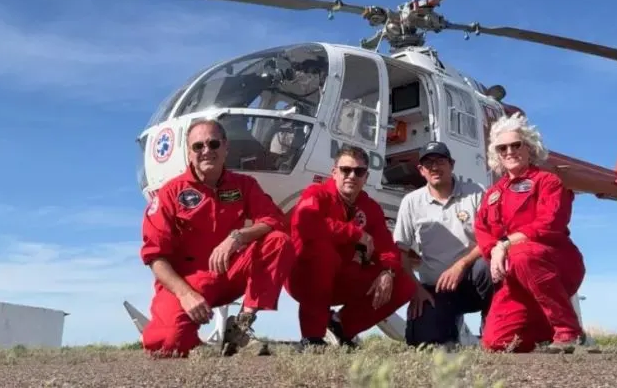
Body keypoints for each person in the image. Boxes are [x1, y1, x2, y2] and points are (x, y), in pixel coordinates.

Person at [139, 118, 296, 358]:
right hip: (189, 282)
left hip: (229, 272)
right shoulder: (171, 193)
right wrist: (185, 294)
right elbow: (155, 257)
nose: (206, 151)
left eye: (213, 144)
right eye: (198, 146)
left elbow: (274, 220)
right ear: (189, 152)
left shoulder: (244, 185)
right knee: (167, 344)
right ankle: (192, 341)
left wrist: (238, 236)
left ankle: (241, 326)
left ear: (225, 147)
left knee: (279, 241)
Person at [474, 112, 586, 354]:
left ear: (529, 147)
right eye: (502, 148)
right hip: (516, 278)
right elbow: (482, 230)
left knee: (522, 254)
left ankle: (569, 332)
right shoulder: (492, 193)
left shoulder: (548, 182)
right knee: (496, 343)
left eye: (516, 145)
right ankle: (547, 330)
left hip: (556, 264)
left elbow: (550, 224)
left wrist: (504, 244)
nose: (509, 152)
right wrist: (493, 250)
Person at [285, 145, 416, 349]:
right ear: (334, 172)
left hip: (345, 277)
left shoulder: (370, 208)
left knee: (404, 283)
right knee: (323, 254)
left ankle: (341, 327)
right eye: (346, 170)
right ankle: (312, 338)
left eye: (359, 171)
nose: (352, 176)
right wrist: (355, 233)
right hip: (306, 278)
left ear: (366, 176)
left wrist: (388, 271)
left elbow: (387, 247)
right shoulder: (316, 194)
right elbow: (307, 224)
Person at [392, 141, 492, 348]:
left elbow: (490, 238)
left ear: (452, 164)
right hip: (435, 288)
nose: (435, 167)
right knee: (422, 344)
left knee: (490, 266)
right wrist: (416, 288)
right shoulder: (411, 202)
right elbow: (400, 251)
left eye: (440, 161)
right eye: (428, 164)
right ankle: (448, 329)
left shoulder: (476, 192)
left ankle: (494, 333)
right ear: (421, 170)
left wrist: (461, 265)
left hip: (474, 281)